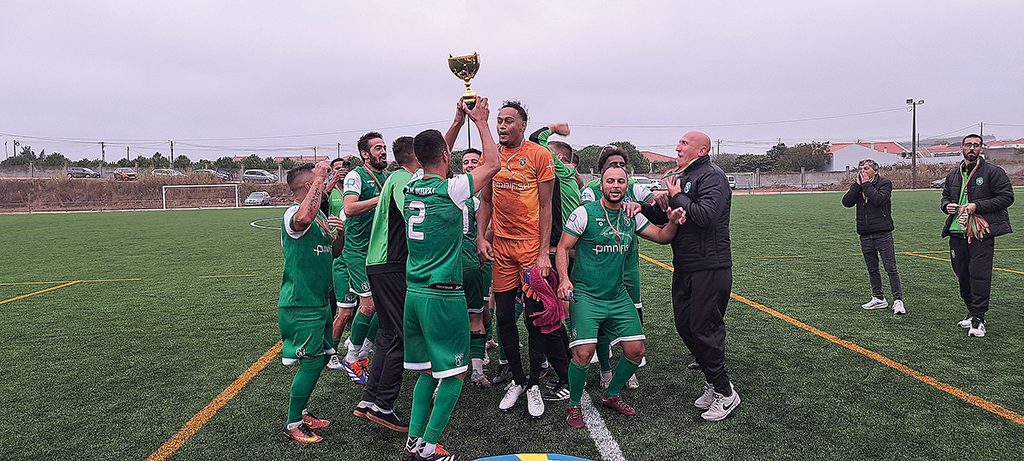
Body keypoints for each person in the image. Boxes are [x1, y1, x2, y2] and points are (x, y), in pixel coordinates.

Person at [401, 97, 501, 461]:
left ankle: (413, 442)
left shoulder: (412, 184)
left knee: (427, 372)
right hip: (442, 296)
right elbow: (493, 163)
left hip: (413, 293)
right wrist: (483, 121)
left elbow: (435, 156)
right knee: (454, 376)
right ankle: (428, 449)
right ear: (447, 157)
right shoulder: (453, 189)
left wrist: (457, 121)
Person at [555, 165, 683, 429]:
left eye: (621, 182)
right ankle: (574, 405)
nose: (615, 185)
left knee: (636, 351)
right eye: (610, 181)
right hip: (587, 295)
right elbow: (563, 247)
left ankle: (611, 394)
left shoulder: (630, 215)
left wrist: (672, 220)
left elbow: (661, 237)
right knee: (582, 353)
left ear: (627, 186)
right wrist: (565, 279)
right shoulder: (584, 213)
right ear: (601, 185)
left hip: (617, 296)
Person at [472, 100, 571, 418]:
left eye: (508, 121)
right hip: (502, 251)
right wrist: (480, 236)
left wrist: (544, 252)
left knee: (534, 320)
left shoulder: (539, 155)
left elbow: (546, 207)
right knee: (503, 319)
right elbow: (485, 201)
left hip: (530, 252)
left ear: (523, 125)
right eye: (499, 121)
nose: (502, 126)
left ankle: (533, 385)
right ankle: (516, 379)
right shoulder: (493, 156)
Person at [645, 131, 740, 421]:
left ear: (701, 151)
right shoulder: (683, 177)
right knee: (685, 325)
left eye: (684, 144)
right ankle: (713, 382)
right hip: (685, 265)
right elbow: (671, 218)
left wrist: (677, 195)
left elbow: (706, 215)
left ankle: (725, 393)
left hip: (710, 266)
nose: (677, 148)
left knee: (704, 328)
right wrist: (643, 209)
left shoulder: (712, 176)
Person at [277, 161, 346, 443]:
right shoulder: (295, 213)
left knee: (318, 361)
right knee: (312, 362)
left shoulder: (318, 217)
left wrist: (339, 234)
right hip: (300, 303)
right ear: (309, 187)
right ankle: (293, 423)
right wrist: (319, 178)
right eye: (319, 180)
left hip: (318, 302)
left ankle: (302, 411)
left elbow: (335, 252)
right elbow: (301, 220)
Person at [356, 136, 420, 432]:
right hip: (391, 264)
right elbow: (413, 215)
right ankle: (385, 405)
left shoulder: (395, 176)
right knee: (401, 335)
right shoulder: (402, 178)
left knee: (386, 334)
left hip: (382, 264)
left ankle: (369, 400)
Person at [580, 146, 655, 389]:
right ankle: (604, 368)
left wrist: (643, 207)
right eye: (613, 165)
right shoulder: (590, 191)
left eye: (623, 164)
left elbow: (654, 204)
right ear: (602, 171)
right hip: (599, 264)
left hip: (628, 261)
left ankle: (627, 367)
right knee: (601, 320)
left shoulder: (633, 186)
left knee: (631, 312)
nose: (619, 169)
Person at [940, 134, 1014, 338]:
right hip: (957, 231)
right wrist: (947, 206)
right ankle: (972, 311)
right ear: (961, 148)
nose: (972, 148)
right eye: (968, 145)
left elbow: (1007, 197)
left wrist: (977, 206)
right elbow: (945, 196)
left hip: (980, 233)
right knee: (962, 275)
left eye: (976, 145)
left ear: (981, 149)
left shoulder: (993, 172)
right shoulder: (954, 175)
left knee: (979, 275)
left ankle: (979, 318)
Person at [340, 132, 390, 384]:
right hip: (358, 251)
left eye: (384, 146)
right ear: (365, 154)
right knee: (369, 305)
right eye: (378, 147)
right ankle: (350, 356)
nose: (383, 151)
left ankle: (362, 350)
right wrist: (379, 199)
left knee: (386, 306)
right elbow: (349, 208)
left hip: (379, 251)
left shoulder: (388, 176)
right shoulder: (355, 176)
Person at [841, 159, 906, 315]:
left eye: (867, 168)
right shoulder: (859, 186)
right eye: (861, 168)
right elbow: (846, 202)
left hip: (883, 233)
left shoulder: (885, 183)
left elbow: (878, 200)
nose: (863, 171)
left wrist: (865, 185)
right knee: (872, 269)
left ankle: (898, 300)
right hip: (865, 234)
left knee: (891, 268)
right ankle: (878, 297)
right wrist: (857, 186)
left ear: (875, 171)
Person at [325, 157, 358, 371]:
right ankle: (331, 353)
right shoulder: (331, 192)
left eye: (343, 168)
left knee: (361, 307)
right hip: (336, 249)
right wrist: (330, 181)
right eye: (337, 169)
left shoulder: (352, 190)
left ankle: (354, 342)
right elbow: (320, 200)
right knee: (342, 308)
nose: (341, 171)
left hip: (354, 251)